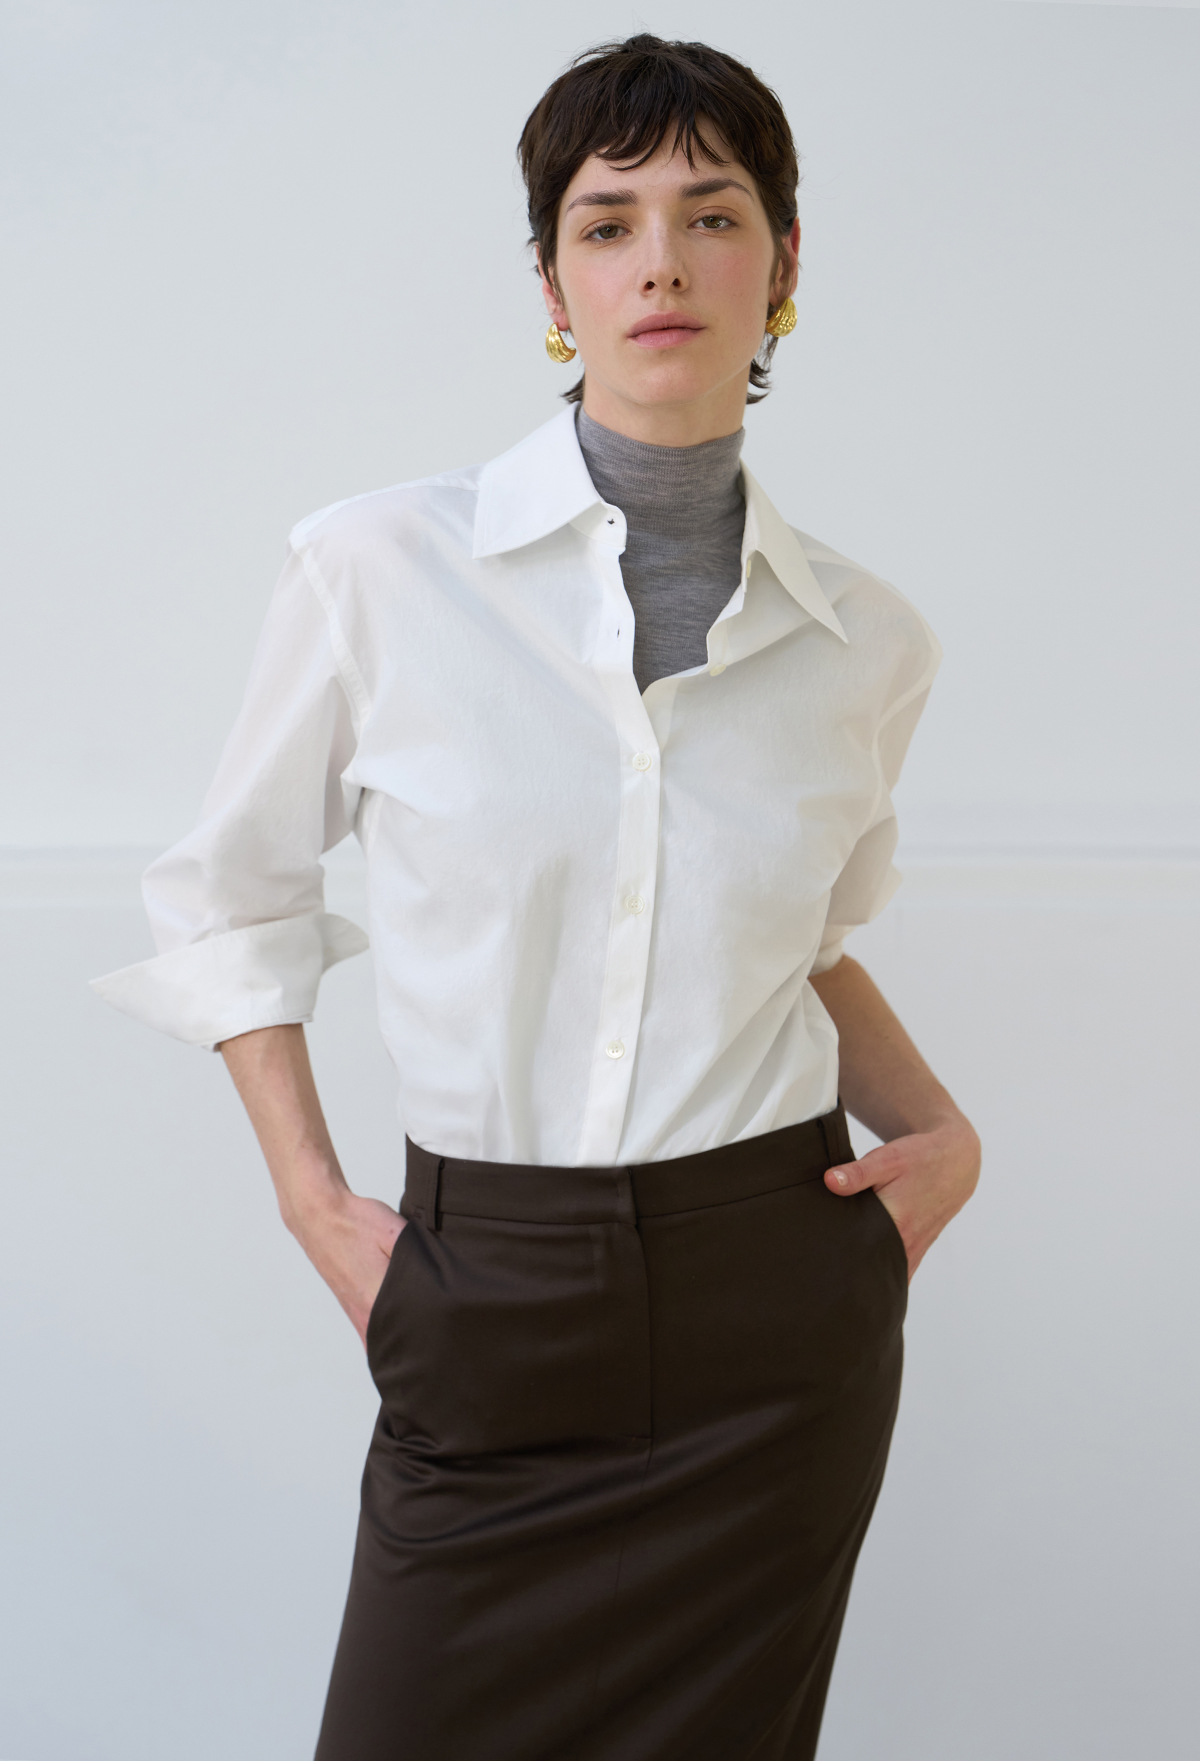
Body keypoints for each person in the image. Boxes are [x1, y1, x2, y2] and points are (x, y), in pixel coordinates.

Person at [93, 33, 980, 1761]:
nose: (662, 262)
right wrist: (312, 1202)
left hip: (774, 1323)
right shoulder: (377, 569)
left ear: (783, 264)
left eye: (713, 215)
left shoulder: (869, 642)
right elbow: (228, 900)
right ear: (554, 282)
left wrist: (941, 1135)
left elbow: (805, 940)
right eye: (607, 220)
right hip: (480, 1289)